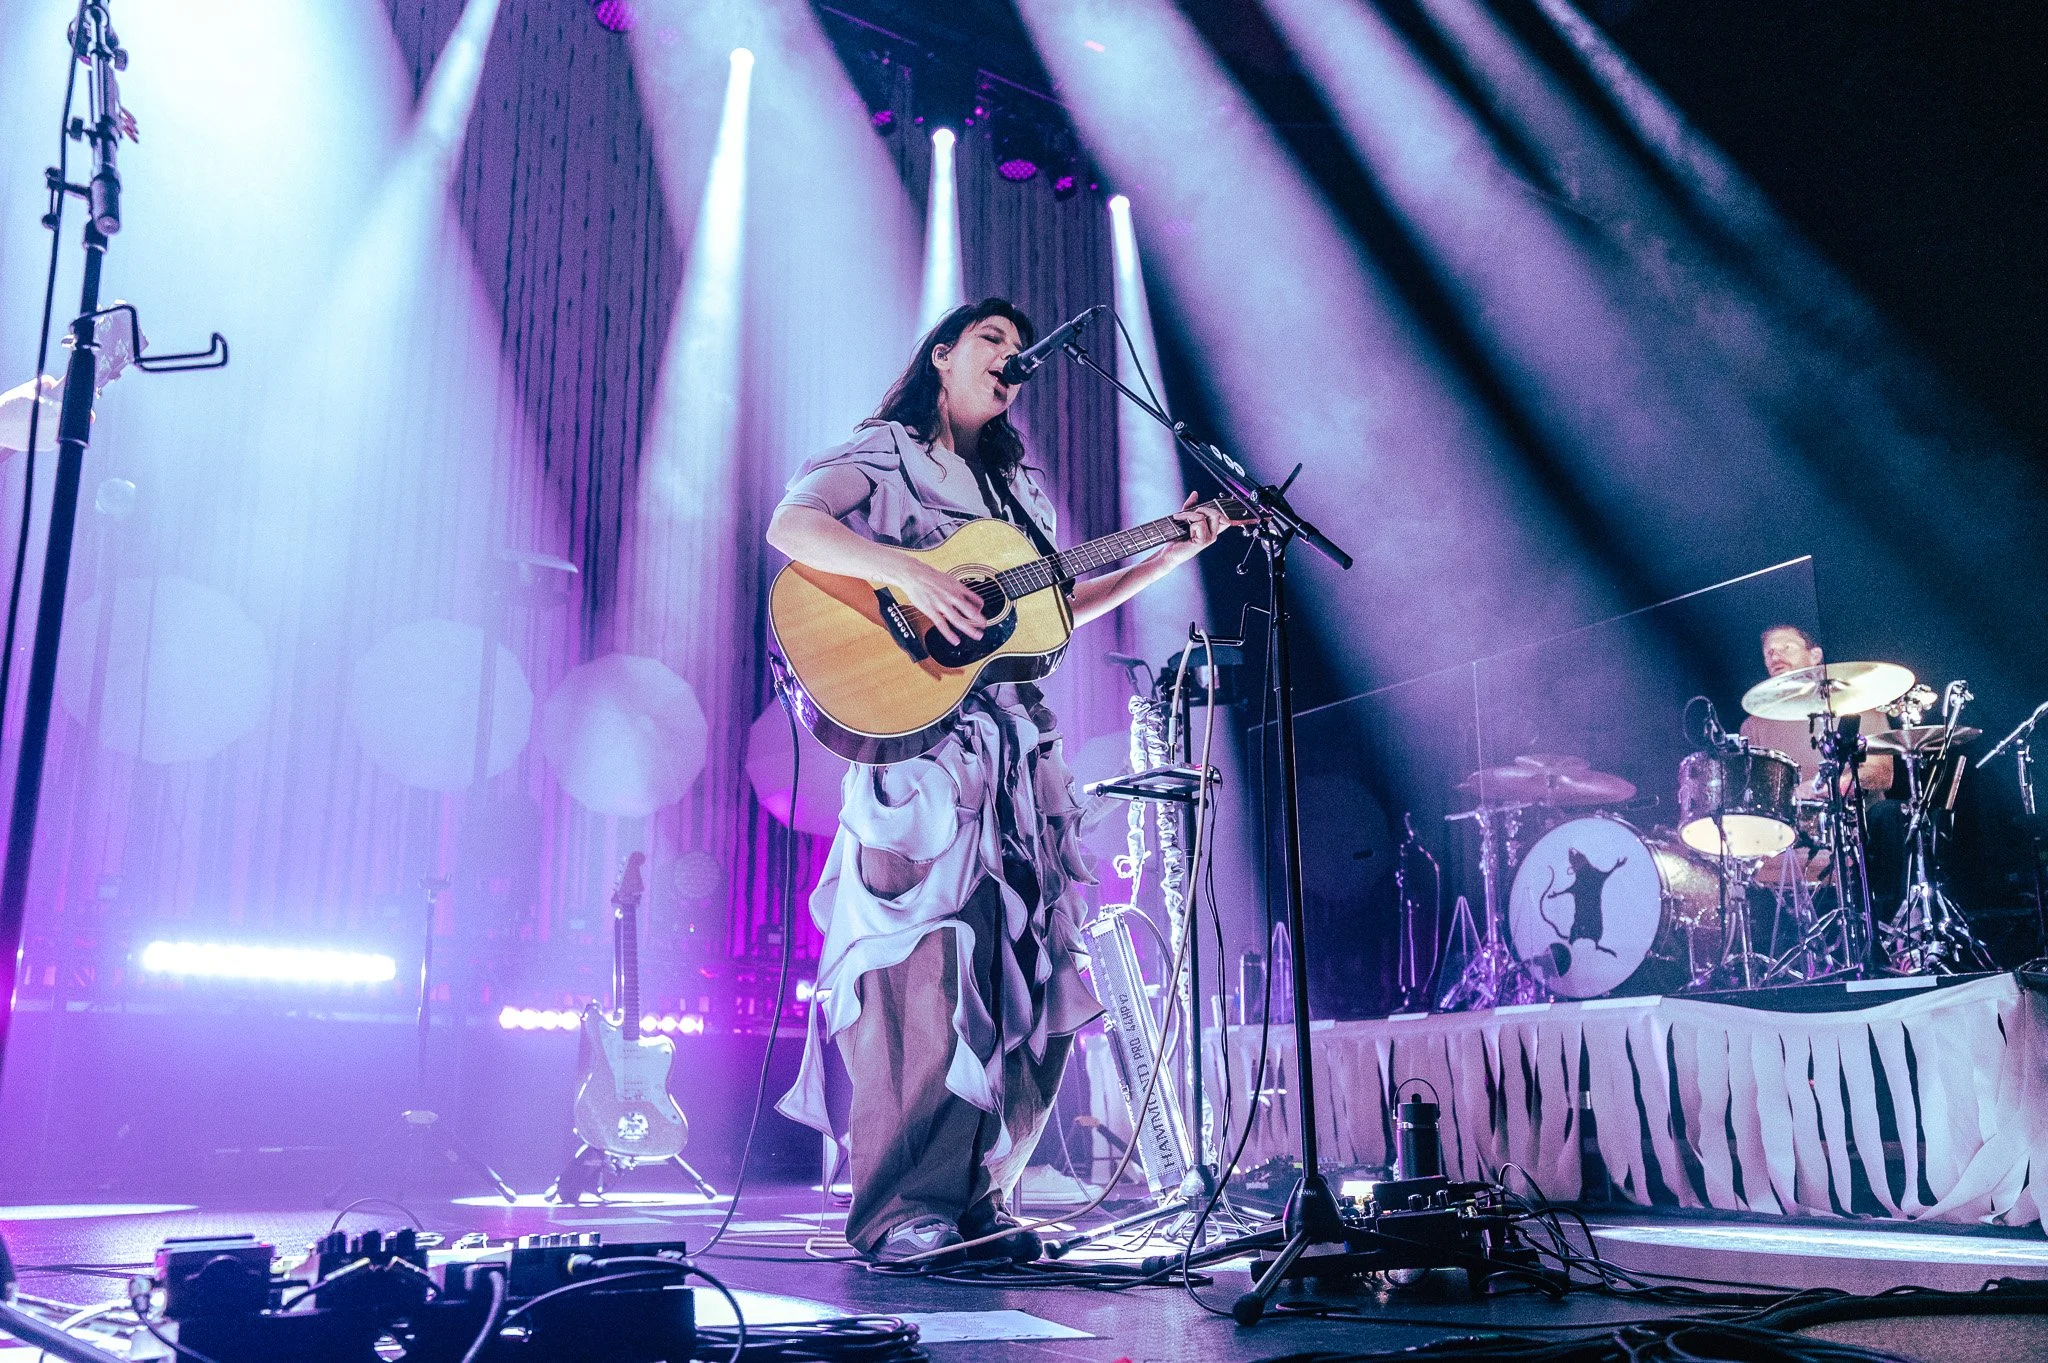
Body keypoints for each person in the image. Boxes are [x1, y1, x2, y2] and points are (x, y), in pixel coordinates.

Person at [766, 299, 1234, 1265]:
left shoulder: (1020, 492)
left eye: (1022, 351)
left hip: (1016, 758)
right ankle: (901, 1210)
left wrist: (1169, 549)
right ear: (940, 354)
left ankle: (978, 1195)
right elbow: (793, 524)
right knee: (925, 976)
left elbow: (1055, 611)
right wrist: (908, 573)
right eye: (993, 341)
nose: (1013, 358)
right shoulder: (884, 449)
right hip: (923, 765)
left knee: (1017, 975)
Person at [1740, 624, 1902, 904]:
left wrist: (1819, 790)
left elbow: (1882, 774)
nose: (1775, 655)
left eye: (1786, 647)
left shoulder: (1860, 704)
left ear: (1815, 656)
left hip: (1860, 824)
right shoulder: (1754, 726)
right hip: (1794, 833)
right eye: (1769, 652)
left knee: (1891, 815)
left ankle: (1903, 921)